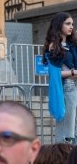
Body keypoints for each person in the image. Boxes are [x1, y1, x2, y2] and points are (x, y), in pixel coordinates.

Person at [42, 12, 77, 143]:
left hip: (75, 87)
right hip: (67, 88)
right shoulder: (53, 46)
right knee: (67, 131)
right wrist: (73, 73)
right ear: (59, 25)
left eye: (72, 24)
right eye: (68, 24)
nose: (71, 27)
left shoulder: (73, 45)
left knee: (73, 128)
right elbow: (55, 73)